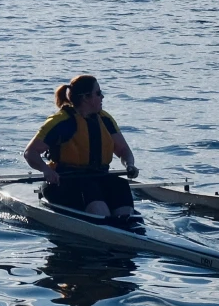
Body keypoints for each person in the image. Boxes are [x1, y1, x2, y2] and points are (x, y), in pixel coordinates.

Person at [22, 74, 138, 224]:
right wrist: (46, 170)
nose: (102, 96)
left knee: (120, 185)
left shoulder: (105, 119)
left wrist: (129, 164)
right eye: (98, 93)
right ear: (85, 97)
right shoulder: (60, 122)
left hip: (98, 177)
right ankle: (107, 225)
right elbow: (30, 153)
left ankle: (127, 225)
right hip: (64, 181)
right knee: (89, 188)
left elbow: (123, 150)